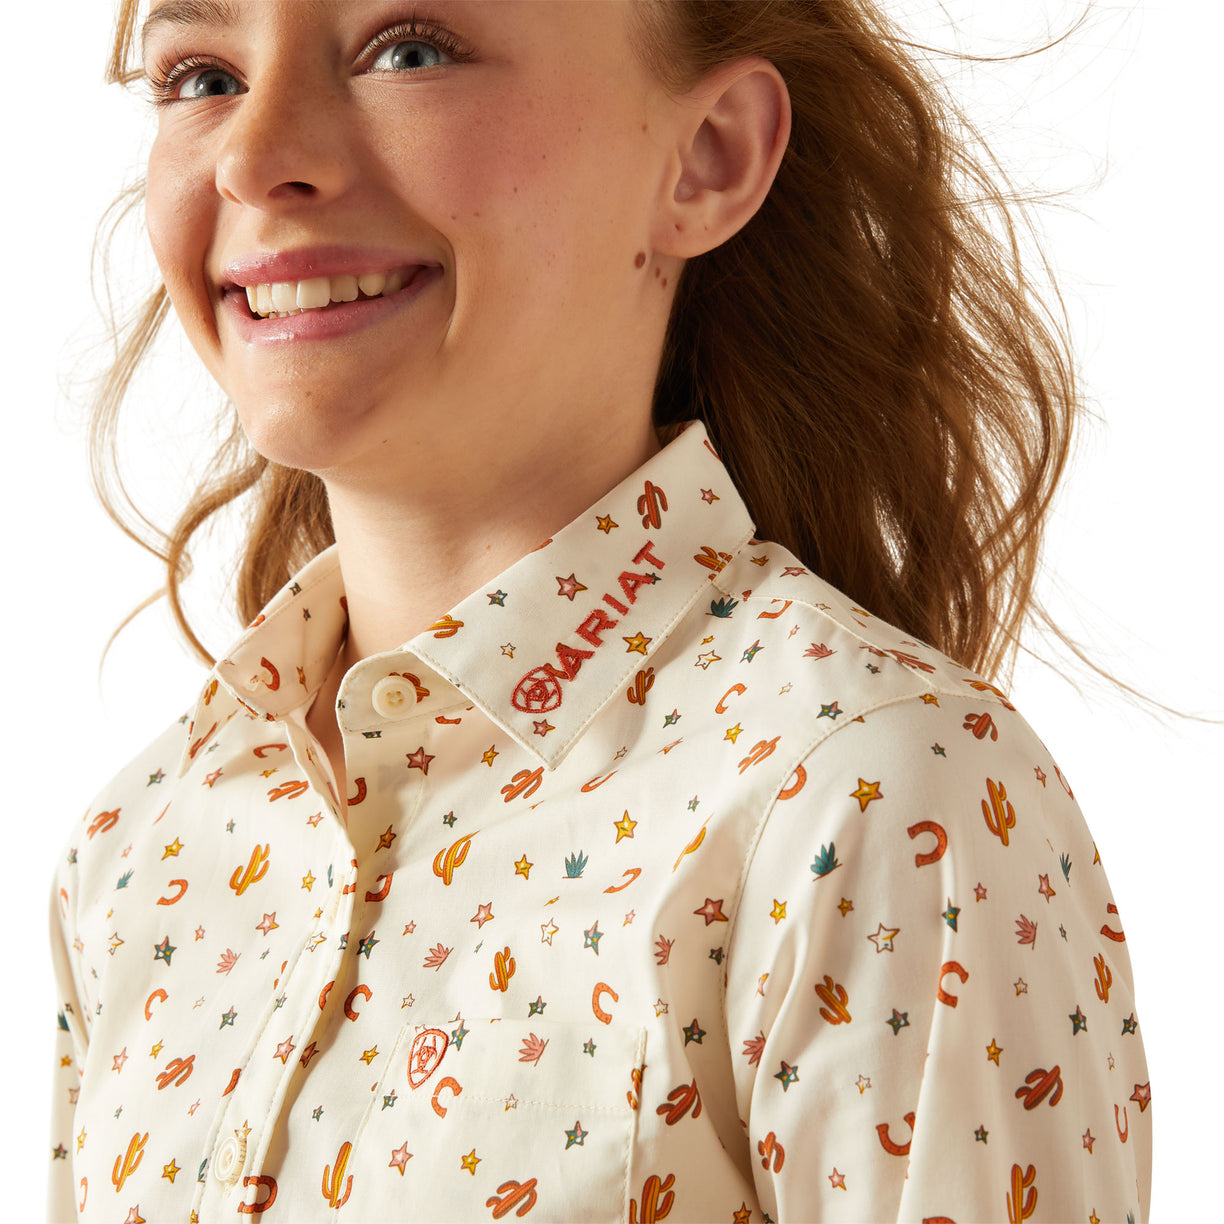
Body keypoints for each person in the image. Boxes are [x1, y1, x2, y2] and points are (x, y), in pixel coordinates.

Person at [47, 1, 1151, 1220]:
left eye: (409, 50)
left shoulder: (867, 795)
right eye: (201, 74)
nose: (255, 158)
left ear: (708, 156)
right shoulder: (139, 853)